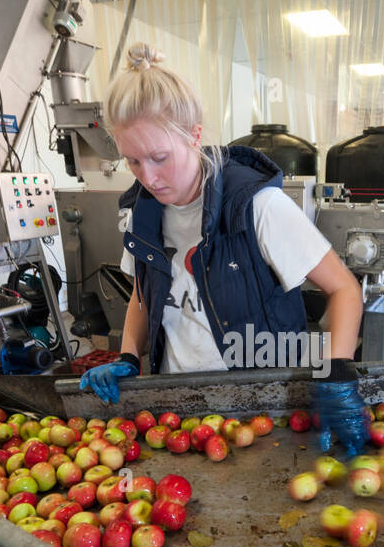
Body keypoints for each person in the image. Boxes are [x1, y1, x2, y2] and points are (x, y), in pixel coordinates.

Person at [79, 43, 368, 456]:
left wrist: (337, 372)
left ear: (194, 136)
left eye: (159, 158)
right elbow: (144, 294)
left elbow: (344, 290)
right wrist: (128, 355)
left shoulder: (256, 206)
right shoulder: (141, 215)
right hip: (177, 413)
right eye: (133, 162)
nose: (149, 177)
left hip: (262, 410)